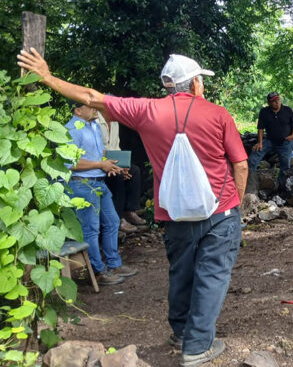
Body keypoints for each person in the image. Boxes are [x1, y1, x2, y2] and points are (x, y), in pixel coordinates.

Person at [18, 50, 248, 367]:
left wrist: (46, 76)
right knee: (213, 274)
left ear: (168, 85)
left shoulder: (147, 111)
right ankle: (196, 348)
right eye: (201, 81)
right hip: (220, 213)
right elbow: (241, 165)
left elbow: (91, 97)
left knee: (181, 272)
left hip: (175, 214)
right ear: (195, 84)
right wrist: (235, 204)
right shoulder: (218, 114)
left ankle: (181, 333)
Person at [64, 102, 138, 286]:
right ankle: (97, 271)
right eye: (89, 106)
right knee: (91, 229)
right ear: (77, 110)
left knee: (112, 221)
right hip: (81, 184)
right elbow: (70, 163)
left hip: (99, 182)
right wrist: (100, 165)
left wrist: (114, 165)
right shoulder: (72, 129)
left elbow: (99, 153)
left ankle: (114, 264)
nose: (95, 109)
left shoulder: (94, 125)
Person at [96, 112, 147, 233]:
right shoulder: (96, 122)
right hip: (100, 163)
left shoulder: (114, 122)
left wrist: (123, 165)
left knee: (134, 171)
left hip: (114, 160)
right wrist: (115, 166)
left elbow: (116, 146)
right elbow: (96, 149)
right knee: (117, 176)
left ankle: (130, 211)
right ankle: (118, 218)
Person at [249, 92, 293, 188]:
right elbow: (260, 128)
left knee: (285, 166)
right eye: (274, 101)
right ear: (269, 103)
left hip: (285, 142)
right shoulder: (264, 112)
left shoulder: (287, 110)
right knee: (253, 159)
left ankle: (280, 186)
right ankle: (251, 182)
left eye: (278, 100)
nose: (277, 102)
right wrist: (260, 142)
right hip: (269, 140)